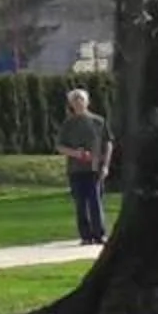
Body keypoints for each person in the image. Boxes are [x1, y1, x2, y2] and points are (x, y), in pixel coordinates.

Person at [59, 88, 111, 245]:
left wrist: (106, 165)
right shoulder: (68, 124)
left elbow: (108, 144)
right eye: (75, 100)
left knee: (95, 200)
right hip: (76, 169)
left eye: (81, 99)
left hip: (94, 167)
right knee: (80, 203)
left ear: (87, 102)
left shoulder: (98, 121)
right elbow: (61, 146)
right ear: (71, 104)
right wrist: (76, 153)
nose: (78, 103)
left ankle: (99, 233)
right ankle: (85, 235)